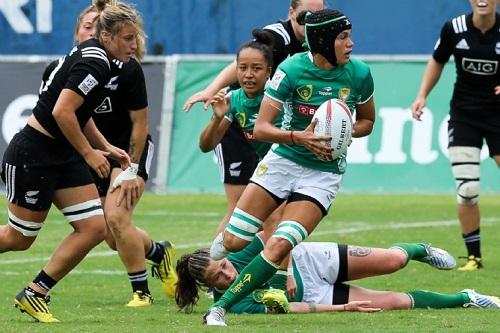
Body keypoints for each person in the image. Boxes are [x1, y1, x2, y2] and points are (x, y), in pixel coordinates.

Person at [203, 9, 377, 326]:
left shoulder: (360, 73)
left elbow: (368, 122)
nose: (351, 43)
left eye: (349, 36)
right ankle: (208, 262)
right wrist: (301, 137)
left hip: (323, 174)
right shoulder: (291, 69)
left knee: (281, 242)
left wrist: (344, 132)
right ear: (324, 41)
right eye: (343, 37)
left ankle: (219, 309)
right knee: (233, 242)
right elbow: (263, 129)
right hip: (283, 161)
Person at [0, 0, 143, 323]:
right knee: (18, 239)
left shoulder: (102, 59)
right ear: (106, 36)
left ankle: (35, 292)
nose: (134, 45)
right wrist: (89, 153)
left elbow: (80, 111)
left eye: (134, 38)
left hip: (61, 155)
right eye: (127, 38)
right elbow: (61, 112)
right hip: (34, 155)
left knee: (94, 227)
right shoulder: (94, 63)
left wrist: (105, 146)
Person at [42, 2, 178, 306]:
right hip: (91, 154)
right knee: (109, 234)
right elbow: (59, 117)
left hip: (127, 151)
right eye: (87, 26)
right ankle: (159, 253)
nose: (92, 31)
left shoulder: (127, 68)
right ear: (78, 31)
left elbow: (140, 124)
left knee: (116, 217)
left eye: (97, 26)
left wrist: (131, 170)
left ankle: (141, 293)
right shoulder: (61, 69)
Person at [184, 0, 325, 237]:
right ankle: (211, 269)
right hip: (238, 123)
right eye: (303, 15)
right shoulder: (276, 37)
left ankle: (256, 267)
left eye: (315, 17)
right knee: (241, 210)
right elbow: (245, 61)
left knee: (269, 217)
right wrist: (211, 90)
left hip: (270, 131)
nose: (308, 22)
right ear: (290, 12)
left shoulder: (315, 45)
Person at [176, 232, 499, 314]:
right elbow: (292, 309)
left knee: (393, 262)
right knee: (396, 303)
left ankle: (419, 249)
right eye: (217, 278)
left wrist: (281, 274)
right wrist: (342, 308)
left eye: (224, 267)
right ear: (207, 287)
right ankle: (468, 297)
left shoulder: (240, 252)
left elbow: (281, 235)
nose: (227, 276)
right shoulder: (232, 303)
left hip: (310, 261)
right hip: (317, 295)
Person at [411, 0, 500, 271]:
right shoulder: (455, 28)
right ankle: (474, 257)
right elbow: (437, 61)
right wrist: (421, 96)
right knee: (468, 188)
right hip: (465, 117)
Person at [199, 29, 283, 237]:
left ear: (269, 72)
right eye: (243, 68)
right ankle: (212, 266)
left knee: (275, 220)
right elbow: (205, 145)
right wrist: (217, 117)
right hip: (268, 167)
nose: (248, 75)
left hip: (290, 164)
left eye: (256, 68)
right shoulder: (233, 99)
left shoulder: (279, 96)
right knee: (258, 218)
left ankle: (281, 269)